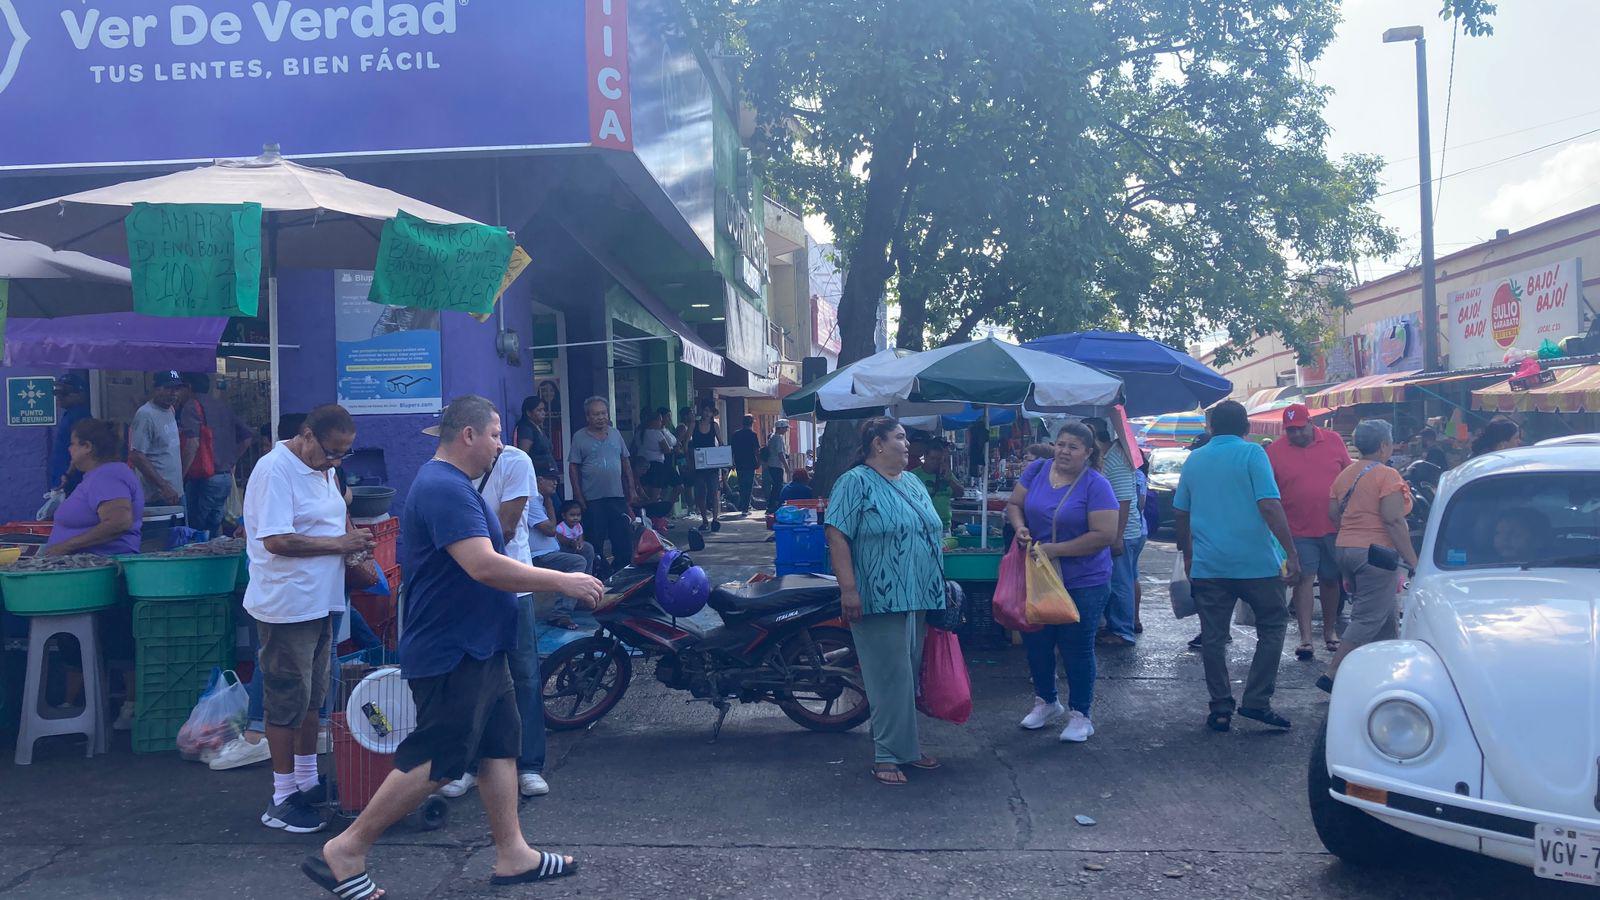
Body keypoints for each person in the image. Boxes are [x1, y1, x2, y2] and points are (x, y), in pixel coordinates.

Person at [304, 395, 603, 899]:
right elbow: (482, 564)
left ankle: (513, 853)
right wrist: (564, 580)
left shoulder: (456, 486)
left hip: (481, 645)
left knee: (499, 744)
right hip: (451, 648)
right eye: (494, 435)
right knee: (440, 755)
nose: (501, 445)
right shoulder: (443, 488)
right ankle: (347, 849)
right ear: (467, 435)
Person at [243, 404, 375, 834]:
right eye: (332, 451)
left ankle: (306, 780)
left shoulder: (325, 470)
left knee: (314, 696)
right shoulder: (274, 470)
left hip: (323, 600)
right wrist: (340, 544)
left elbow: (333, 510)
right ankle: (281, 799)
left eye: (344, 453)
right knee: (286, 696)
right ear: (306, 435)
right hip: (287, 603)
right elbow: (277, 539)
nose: (337, 461)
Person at [823, 417, 946, 787]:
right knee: (888, 676)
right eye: (900, 437)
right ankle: (886, 755)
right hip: (878, 594)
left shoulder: (910, 482)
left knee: (907, 674)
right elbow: (837, 535)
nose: (908, 444)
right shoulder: (855, 482)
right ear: (878, 444)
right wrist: (848, 589)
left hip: (917, 592)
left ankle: (906, 747)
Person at [1173, 400, 1299, 733]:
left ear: (1210, 428)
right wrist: (1291, 552)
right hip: (1256, 563)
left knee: (1213, 638)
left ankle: (1220, 708)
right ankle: (1257, 701)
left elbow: (1181, 513)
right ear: (1247, 428)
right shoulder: (1253, 454)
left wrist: (1188, 554)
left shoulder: (1195, 459)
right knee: (1272, 627)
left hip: (1210, 565)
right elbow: (1270, 506)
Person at [1006, 422, 1119, 742]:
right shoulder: (1037, 470)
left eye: (1073, 447)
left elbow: (1104, 535)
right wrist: (1020, 527)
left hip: (1084, 579)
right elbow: (1015, 505)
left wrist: (1057, 549)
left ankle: (1081, 714)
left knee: (1077, 647)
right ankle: (1046, 701)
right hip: (1039, 574)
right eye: (1060, 444)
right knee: (1037, 643)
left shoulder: (1096, 485)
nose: (1064, 452)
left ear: (1087, 452)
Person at [1318, 419, 1418, 692]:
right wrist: (1414, 561)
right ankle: (1333, 672)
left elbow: (1333, 514)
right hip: (1377, 554)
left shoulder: (1345, 475)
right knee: (1366, 617)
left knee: (1384, 615)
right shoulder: (1387, 476)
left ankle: (1385, 671)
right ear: (1384, 445)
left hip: (1346, 549)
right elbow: (1393, 520)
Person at [1265, 403, 1352, 661]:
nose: (1296, 435)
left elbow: (1348, 476)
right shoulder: (1274, 450)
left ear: (1311, 424)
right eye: (1290, 430)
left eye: (1300, 429)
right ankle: (1305, 638)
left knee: (1330, 579)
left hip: (1333, 526)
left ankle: (1329, 631)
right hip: (1297, 528)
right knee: (1303, 579)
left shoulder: (1334, 441)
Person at [44, 417, 144, 557]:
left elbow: (119, 522)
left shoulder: (107, 476)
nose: (69, 449)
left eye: (73, 444)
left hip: (99, 565)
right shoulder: (99, 475)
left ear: (87, 447)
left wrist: (64, 547)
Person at [1086, 417, 1142, 648]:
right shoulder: (1107, 458)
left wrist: (1117, 537)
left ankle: (1122, 631)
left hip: (1124, 533)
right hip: (1120, 531)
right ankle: (1115, 626)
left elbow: (1124, 501)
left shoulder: (1116, 460)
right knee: (1118, 581)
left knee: (1120, 583)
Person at [568, 397, 637, 575]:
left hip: (616, 496)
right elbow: (573, 467)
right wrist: (578, 495)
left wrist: (631, 488)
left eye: (603, 413)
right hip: (593, 498)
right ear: (588, 417)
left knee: (622, 537)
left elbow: (625, 461)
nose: (601, 417)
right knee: (595, 538)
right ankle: (600, 574)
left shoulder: (615, 434)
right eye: (596, 414)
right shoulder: (579, 437)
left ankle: (623, 572)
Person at [179, 372, 254, 537]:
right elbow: (247, 438)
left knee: (197, 531)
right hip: (225, 477)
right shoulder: (223, 406)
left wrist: (180, 476)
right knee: (214, 527)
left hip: (203, 478)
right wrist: (231, 460)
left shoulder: (191, 406)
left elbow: (193, 443)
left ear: (189, 387)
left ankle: (199, 563)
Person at [530, 469, 593, 628]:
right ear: (539, 480)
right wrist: (549, 501)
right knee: (578, 562)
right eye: (551, 479)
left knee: (587, 549)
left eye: (556, 479)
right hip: (540, 555)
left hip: (553, 550)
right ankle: (560, 614)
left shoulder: (540, 500)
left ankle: (579, 598)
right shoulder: (531, 501)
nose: (555, 482)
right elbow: (551, 530)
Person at [128, 370, 186, 509]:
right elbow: (136, 455)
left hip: (175, 492)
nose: (173, 393)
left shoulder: (170, 410)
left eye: (177, 389)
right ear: (156, 388)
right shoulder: (145, 415)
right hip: (157, 496)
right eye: (168, 388)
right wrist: (163, 486)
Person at [48, 374, 91, 493]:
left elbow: (82, 449)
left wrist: (67, 475)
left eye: (65, 392)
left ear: (79, 394)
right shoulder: (70, 414)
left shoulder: (80, 416)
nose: (59, 397)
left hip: (72, 481)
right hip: (65, 479)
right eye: (57, 393)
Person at [912, 438, 962, 532]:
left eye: (938, 459)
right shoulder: (914, 476)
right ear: (925, 456)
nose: (935, 462)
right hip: (922, 526)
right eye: (932, 458)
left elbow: (960, 493)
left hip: (945, 526)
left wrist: (950, 480)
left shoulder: (946, 473)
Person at [688, 405, 724, 532]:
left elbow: (721, 442)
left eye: (709, 411)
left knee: (714, 492)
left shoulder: (714, 426)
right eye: (705, 410)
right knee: (700, 493)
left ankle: (715, 519)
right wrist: (689, 457)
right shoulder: (694, 425)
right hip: (698, 462)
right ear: (702, 411)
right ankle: (704, 519)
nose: (707, 413)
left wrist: (723, 458)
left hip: (711, 463)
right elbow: (687, 441)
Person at [514, 395, 557, 473]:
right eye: (539, 410)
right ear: (529, 413)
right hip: (537, 475)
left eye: (544, 410)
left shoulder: (538, 427)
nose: (543, 413)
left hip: (547, 474)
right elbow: (524, 455)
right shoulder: (526, 429)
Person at [730, 414, 761, 515]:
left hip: (739, 463)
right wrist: (759, 461)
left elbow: (732, 450)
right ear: (751, 423)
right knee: (748, 486)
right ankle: (745, 508)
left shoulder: (736, 434)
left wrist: (732, 462)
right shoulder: (753, 435)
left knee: (742, 485)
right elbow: (757, 450)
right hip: (750, 463)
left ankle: (743, 506)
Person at [762, 420, 792, 515]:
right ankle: (773, 505)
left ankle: (772, 505)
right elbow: (780, 453)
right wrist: (787, 467)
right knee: (777, 486)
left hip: (772, 465)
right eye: (786, 428)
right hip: (776, 465)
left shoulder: (772, 437)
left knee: (776, 486)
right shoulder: (778, 438)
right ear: (781, 428)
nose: (787, 430)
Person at [554, 501, 594, 573]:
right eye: (572, 515)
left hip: (575, 547)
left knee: (588, 547)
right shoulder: (560, 527)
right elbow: (558, 540)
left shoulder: (578, 526)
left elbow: (580, 536)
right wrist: (571, 543)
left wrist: (580, 543)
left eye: (578, 515)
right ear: (564, 516)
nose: (575, 518)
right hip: (563, 548)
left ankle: (588, 573)